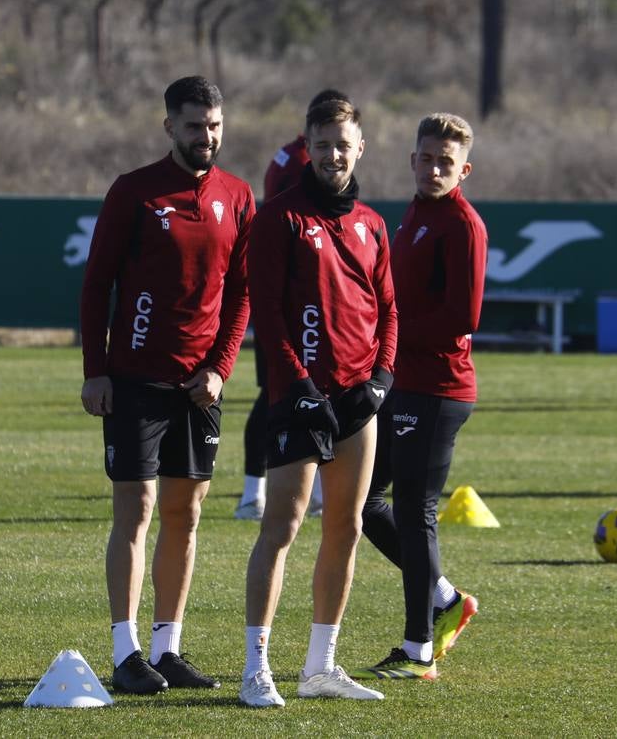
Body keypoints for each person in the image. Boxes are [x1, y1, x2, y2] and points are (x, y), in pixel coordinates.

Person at [79, 76, 255, 694]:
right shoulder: (134, 192)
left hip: (199, 387)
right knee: (139, 509)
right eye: (192, 126)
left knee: (186, 513)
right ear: (169, 128)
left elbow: (241, 292)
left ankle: (167, 647)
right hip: (132, 378)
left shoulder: (238, 195)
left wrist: (220, 368)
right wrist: (94, 370)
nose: (205, 136)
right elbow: (97, 283)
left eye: (213, 126)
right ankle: (125, 652)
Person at [239, 97, 397, 708]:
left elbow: (388, 308)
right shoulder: (278, 218)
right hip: (298, 400)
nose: (333, 155)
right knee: (281, 526)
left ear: (361, 148)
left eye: (343, 144)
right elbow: (269, 313)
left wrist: (382, 375)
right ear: (308, 145)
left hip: (359, 401)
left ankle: (320, 667)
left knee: (346, 527)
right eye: (323, 143)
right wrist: (299, 386)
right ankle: (257, 669)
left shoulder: (374, 224)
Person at [355, 113, 488, 681]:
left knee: (415, 513)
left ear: (465, 170)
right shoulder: (414, 214)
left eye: (447, 163)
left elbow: (465, 315)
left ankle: (418, 651)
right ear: (412, 160)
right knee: (365, 503)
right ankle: (444, 597)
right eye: (427, 158)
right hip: (402, 383)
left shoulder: (462, 224)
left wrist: (391, 329)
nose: (435, 169)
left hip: (437, 389)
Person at [235, 88, 350, 522]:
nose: (333, 154)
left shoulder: (284, 156)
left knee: (302, 394)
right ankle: (253, 493)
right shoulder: (300, 165)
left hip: (301, 305)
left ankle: (298, 492)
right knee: (278, 397)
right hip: (294, 308)